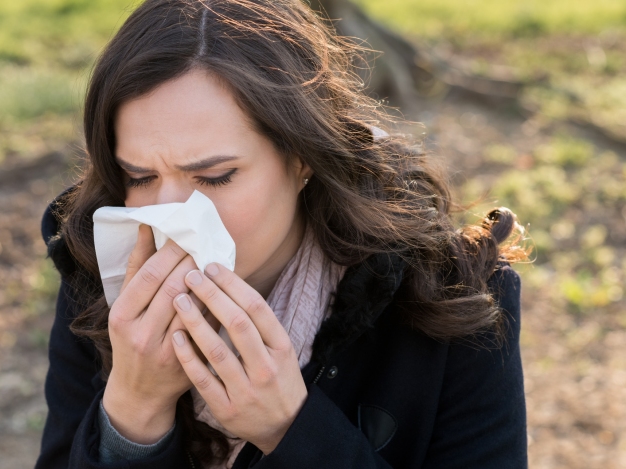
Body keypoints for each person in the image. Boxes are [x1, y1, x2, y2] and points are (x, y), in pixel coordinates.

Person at [35, 0, 529, 467]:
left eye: (215, 177)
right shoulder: (100, 274)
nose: (170, 215)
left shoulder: (453, 296)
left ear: (302, 160)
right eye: (140, 177)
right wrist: (133, 412)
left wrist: (291, 431)